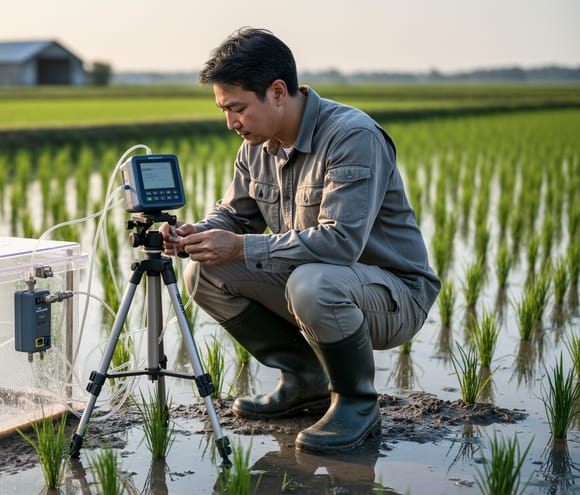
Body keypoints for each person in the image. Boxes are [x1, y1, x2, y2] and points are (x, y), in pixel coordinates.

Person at [160, 27, 440, 453]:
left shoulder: (352, 136)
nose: (231, 123)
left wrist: (239, 246)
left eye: (237, 108)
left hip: (394, 294)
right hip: (314, 283)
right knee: (205, 273)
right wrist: (196, 233)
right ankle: (305, 378)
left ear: (276, 92)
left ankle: (357, 403)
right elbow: (236, 215)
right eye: (223, 110)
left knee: (312, 282)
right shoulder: (255, 146)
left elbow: (341, 242)